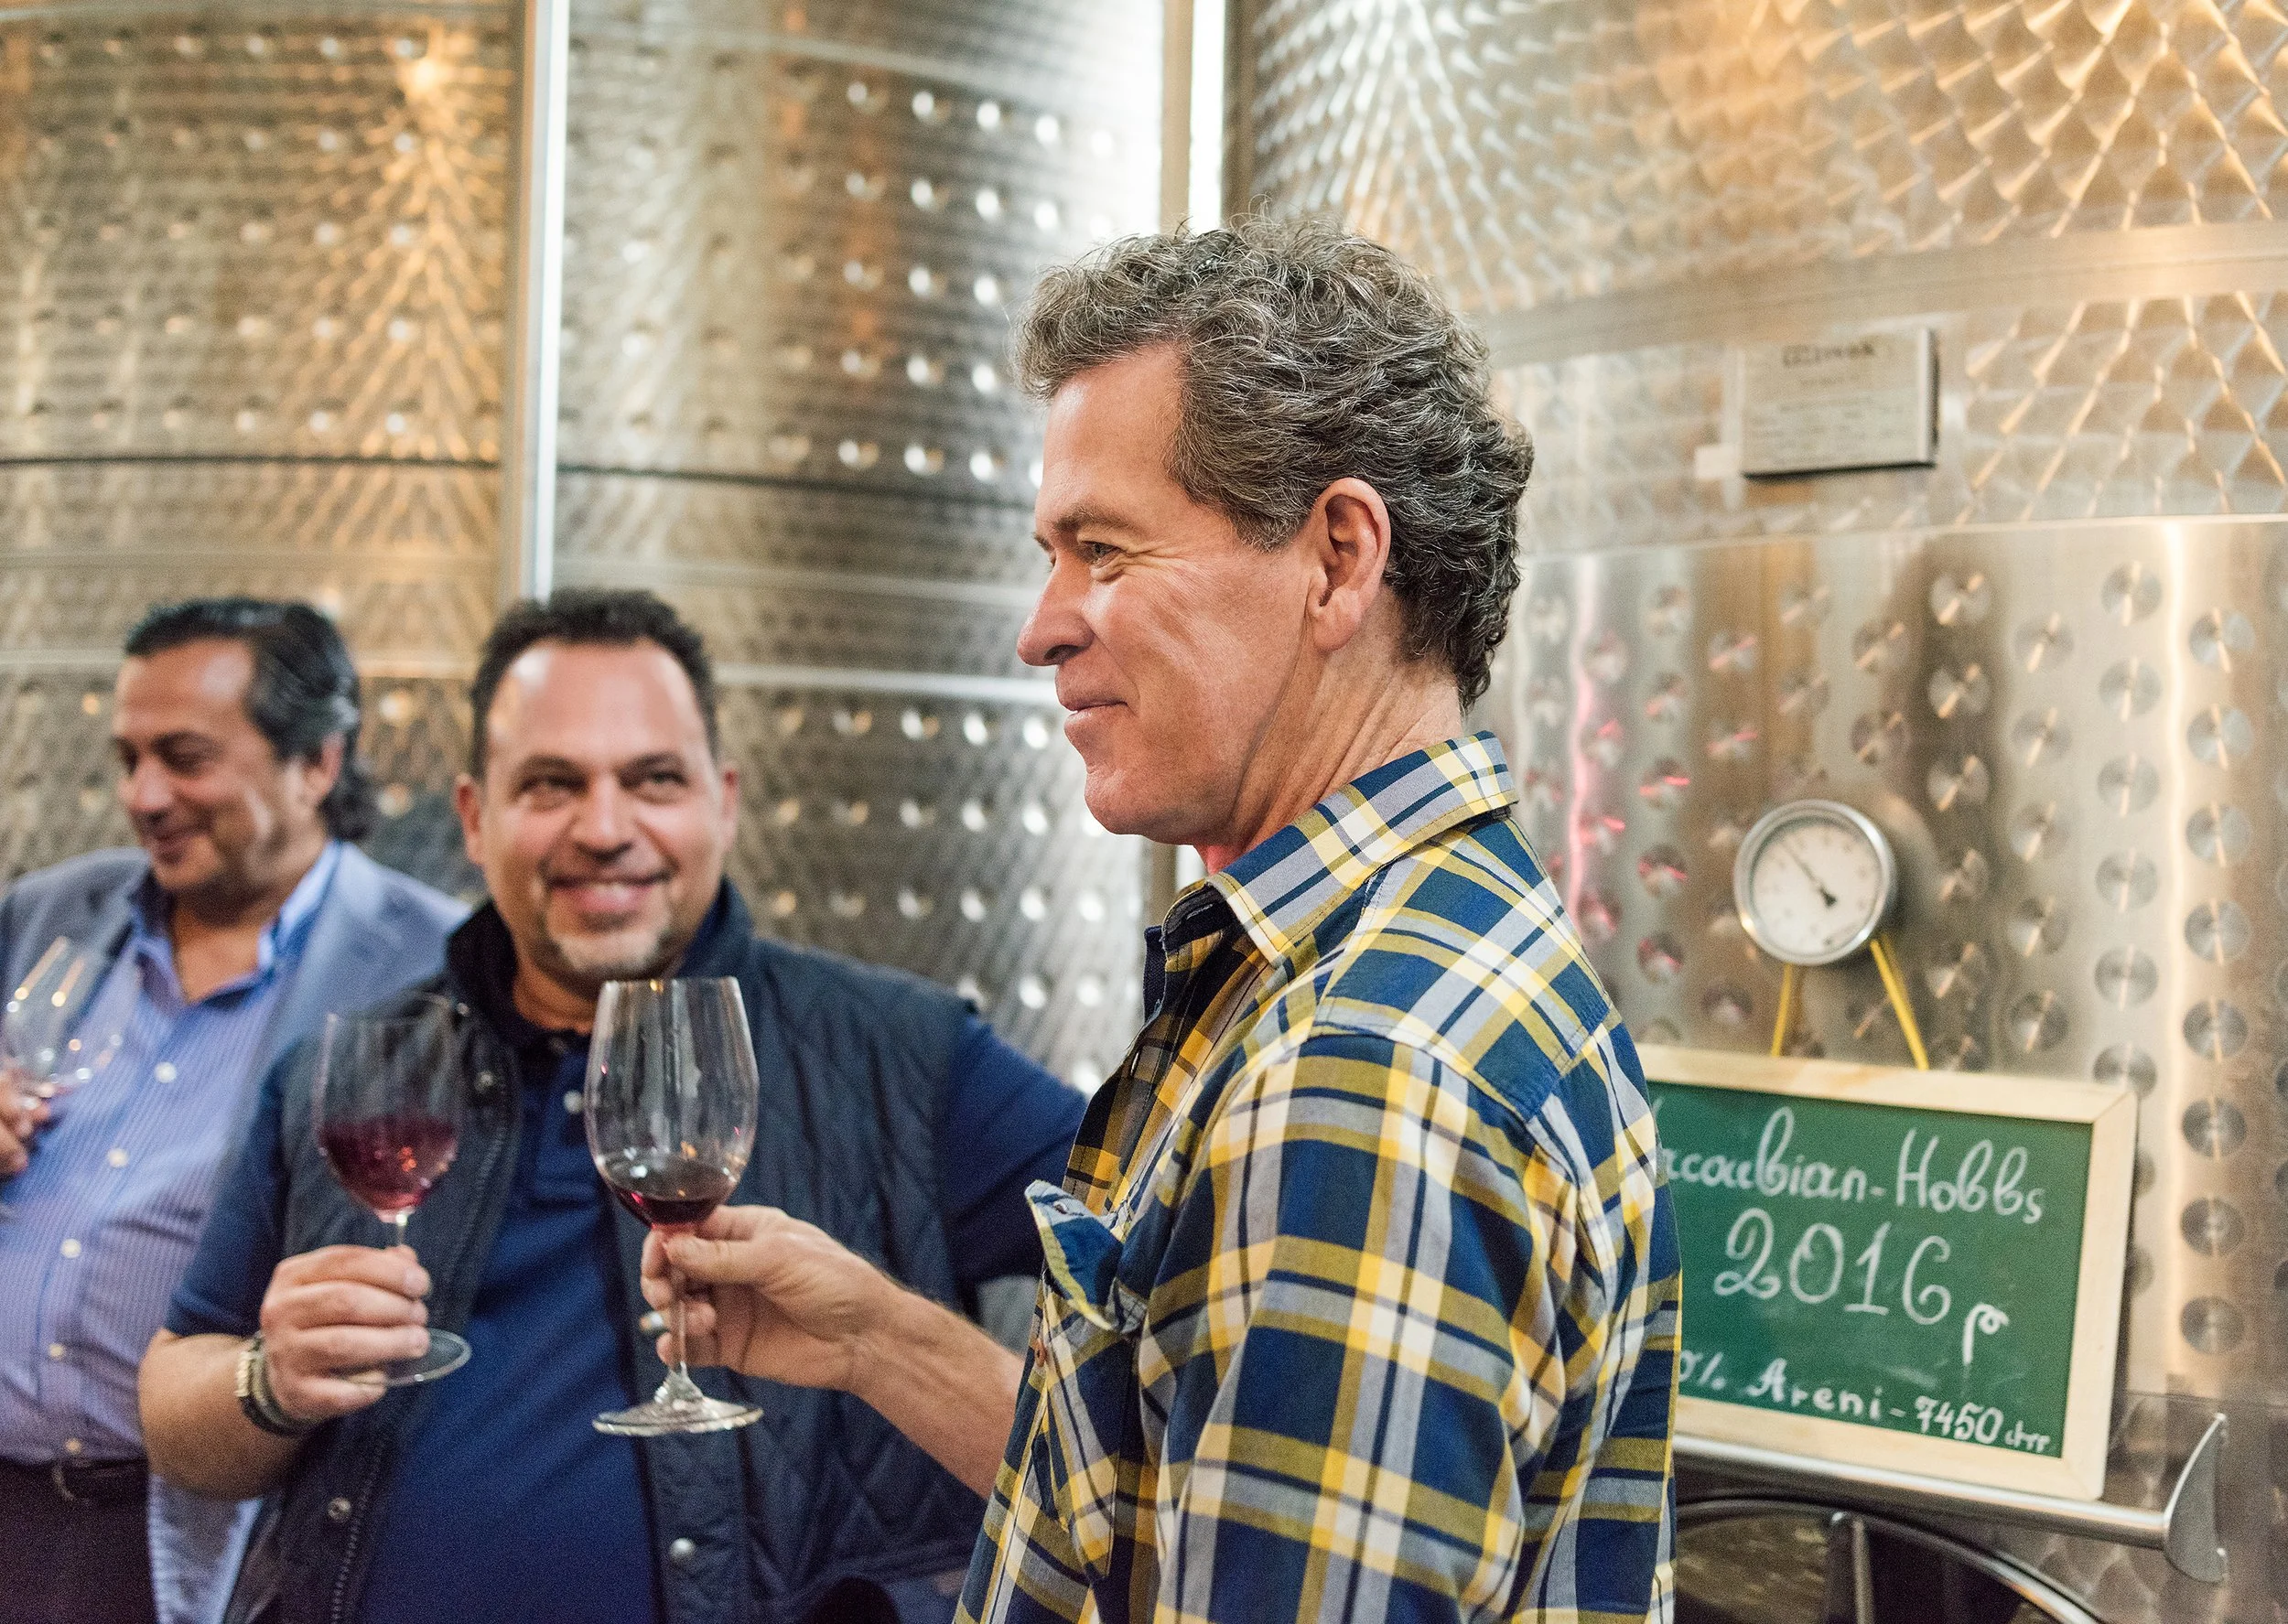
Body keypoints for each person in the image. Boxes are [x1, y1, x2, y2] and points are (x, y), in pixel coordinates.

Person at [641, 217, 1682, 1622]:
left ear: (1337, 558)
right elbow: (1174, 1522)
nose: (1043, 624)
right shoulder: (1417, 950)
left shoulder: (1360, 1074)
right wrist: (880, 1337)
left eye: (1105, 550)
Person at [138, 588, 1086, 1624]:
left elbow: (1191, 1319)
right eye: (550, 783)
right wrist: (267, 1379)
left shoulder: (904, 1055)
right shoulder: (361, 1072)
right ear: (473, 816)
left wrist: (892, 1339)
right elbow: (177, 1399)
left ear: (721, 801)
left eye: (653, 780)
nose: (603, 827)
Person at [0, 599, 465, 1624]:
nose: (144, 794)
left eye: (185, 756)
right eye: (127, 758)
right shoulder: (48, 912)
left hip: (206, 1532)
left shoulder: (434, 962)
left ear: (317, 762)